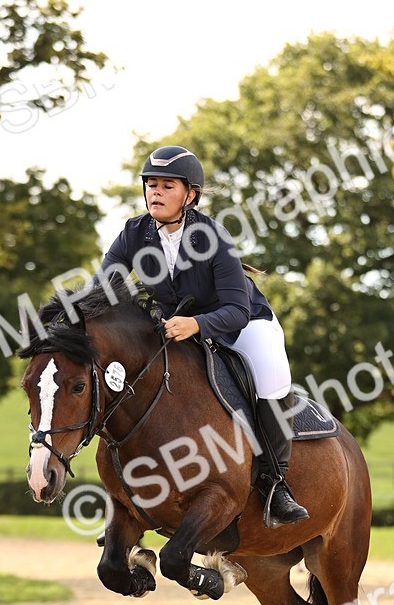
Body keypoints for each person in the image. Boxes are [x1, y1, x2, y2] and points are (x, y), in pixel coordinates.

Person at [98, 145, 309, 527]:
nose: (155, 193)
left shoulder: (213, 236)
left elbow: (237, 310)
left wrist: (195, 325)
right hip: (176, 325)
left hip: (243, 327)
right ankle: (132, 498)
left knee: (270, 377)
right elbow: (104, 289)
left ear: (190, 195)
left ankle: (275, 483)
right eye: (151, 185)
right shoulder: (133, 233)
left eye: (166, 186)